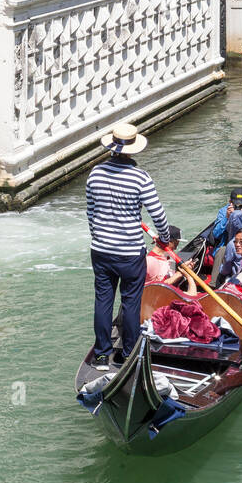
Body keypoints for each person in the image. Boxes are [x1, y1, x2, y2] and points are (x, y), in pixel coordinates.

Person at [86, 122, 179, 367]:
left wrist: (99, 237)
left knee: (103, 300)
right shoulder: (140, 177)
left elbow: (91, 213)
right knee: (130, 302)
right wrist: (165, 239)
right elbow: (158, 215)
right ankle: (128, 353)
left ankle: (102, 353)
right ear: (134, 150)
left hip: (101, 250)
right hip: (129, 253)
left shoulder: (95, 173)